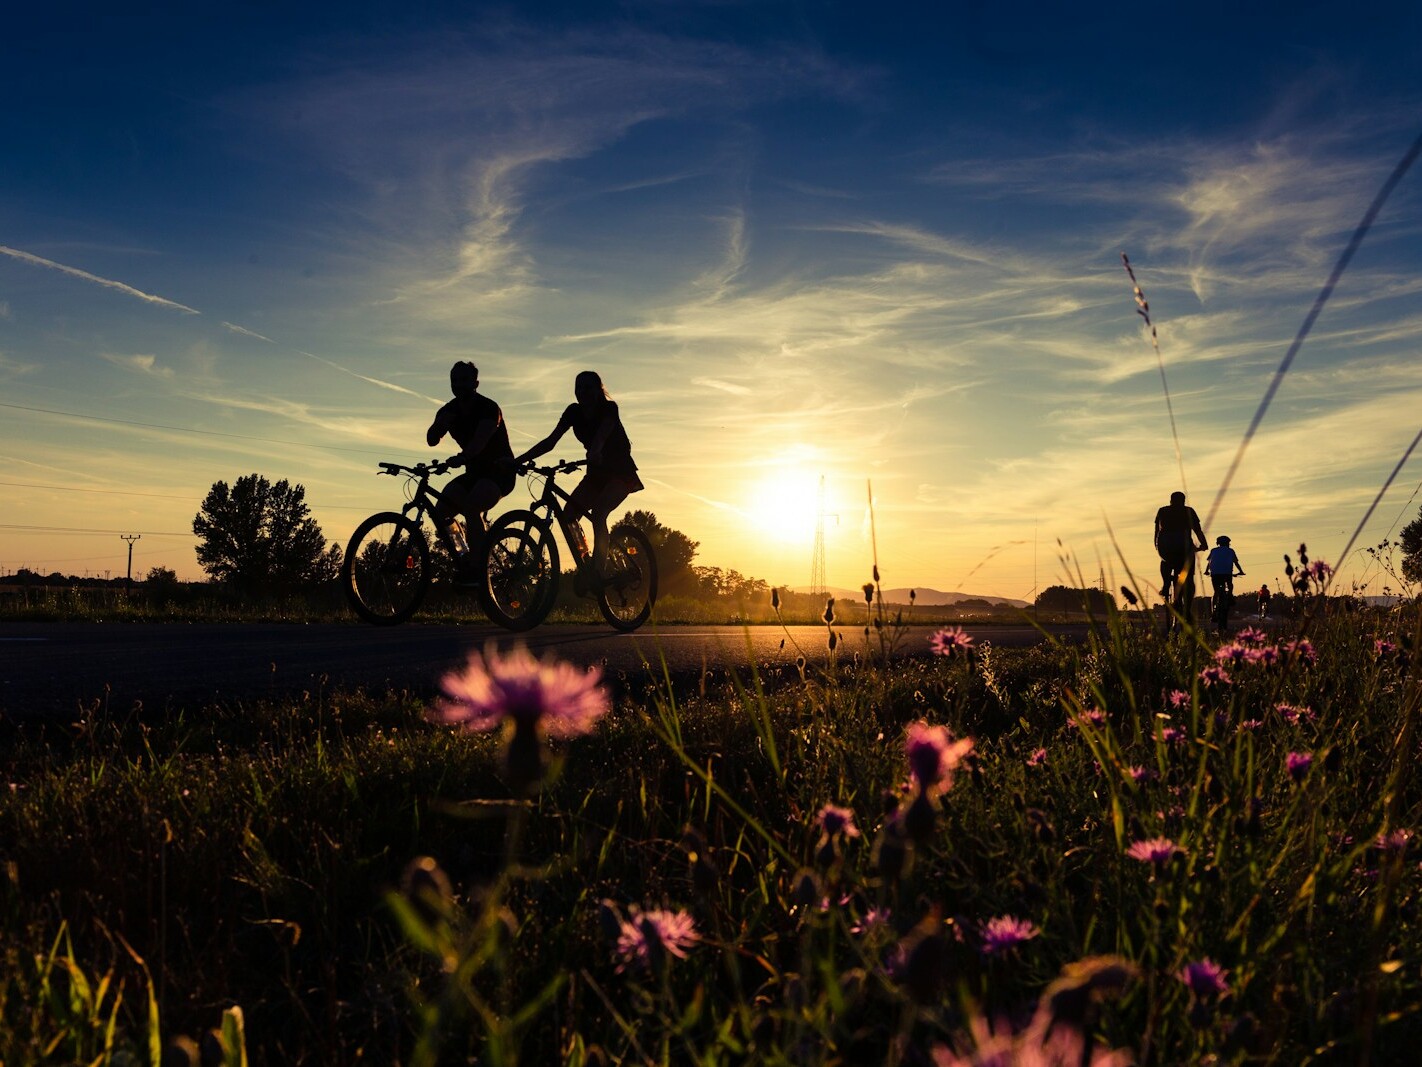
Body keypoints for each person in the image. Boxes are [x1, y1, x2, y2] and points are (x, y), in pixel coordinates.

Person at [516, 370, 644, 585]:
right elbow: (550, 441)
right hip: (596, 473)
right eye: (579, 388)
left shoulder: (609, 408)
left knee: (599, 511)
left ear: (599, 390)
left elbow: (603, 433)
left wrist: (596, 450)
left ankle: (599, 569)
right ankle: (586, 563)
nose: (583, 392)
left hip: (620, 472)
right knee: (568, 516)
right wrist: (518, 460)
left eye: (588, 387)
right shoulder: (573, 412)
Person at [426, 361, 516, 572]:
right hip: (474, 472)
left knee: (471, 507)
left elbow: (479, 442)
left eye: (464, 380)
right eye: (454, 381)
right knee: (441, 512)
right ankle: (465, 557)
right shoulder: (449, 410)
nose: (459, 385)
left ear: (475, 383)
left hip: (499, 472)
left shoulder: (489, 408)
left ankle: (480, 567)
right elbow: (431, 439)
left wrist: (461, 457)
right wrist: (439, 426)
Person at [1154, 490, 1208, 607]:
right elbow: (1198, 531)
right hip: (1184, 549)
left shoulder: (1162, 511)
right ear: (1183, 501)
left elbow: (1157, 531)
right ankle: (1187, 608)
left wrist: (1157, 545)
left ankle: (1166, 584)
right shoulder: (1189, 511)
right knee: (1189, 578)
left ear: (1170, 500)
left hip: (1166, 547)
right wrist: (1204, 544)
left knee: (1165, 562)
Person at [1204, 534, 1245, 630]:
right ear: (1228, 543)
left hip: (1215, 574)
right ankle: (1230, 595)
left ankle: (1214, 611)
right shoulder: (1231, 551)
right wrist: (1241, 571)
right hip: (1227, 574)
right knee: (1230, 584)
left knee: (1216, 592)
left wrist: (1206, 571)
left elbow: (1209, 562)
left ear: (1218, 543)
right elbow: (1236, 562)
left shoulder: (1213, 550)